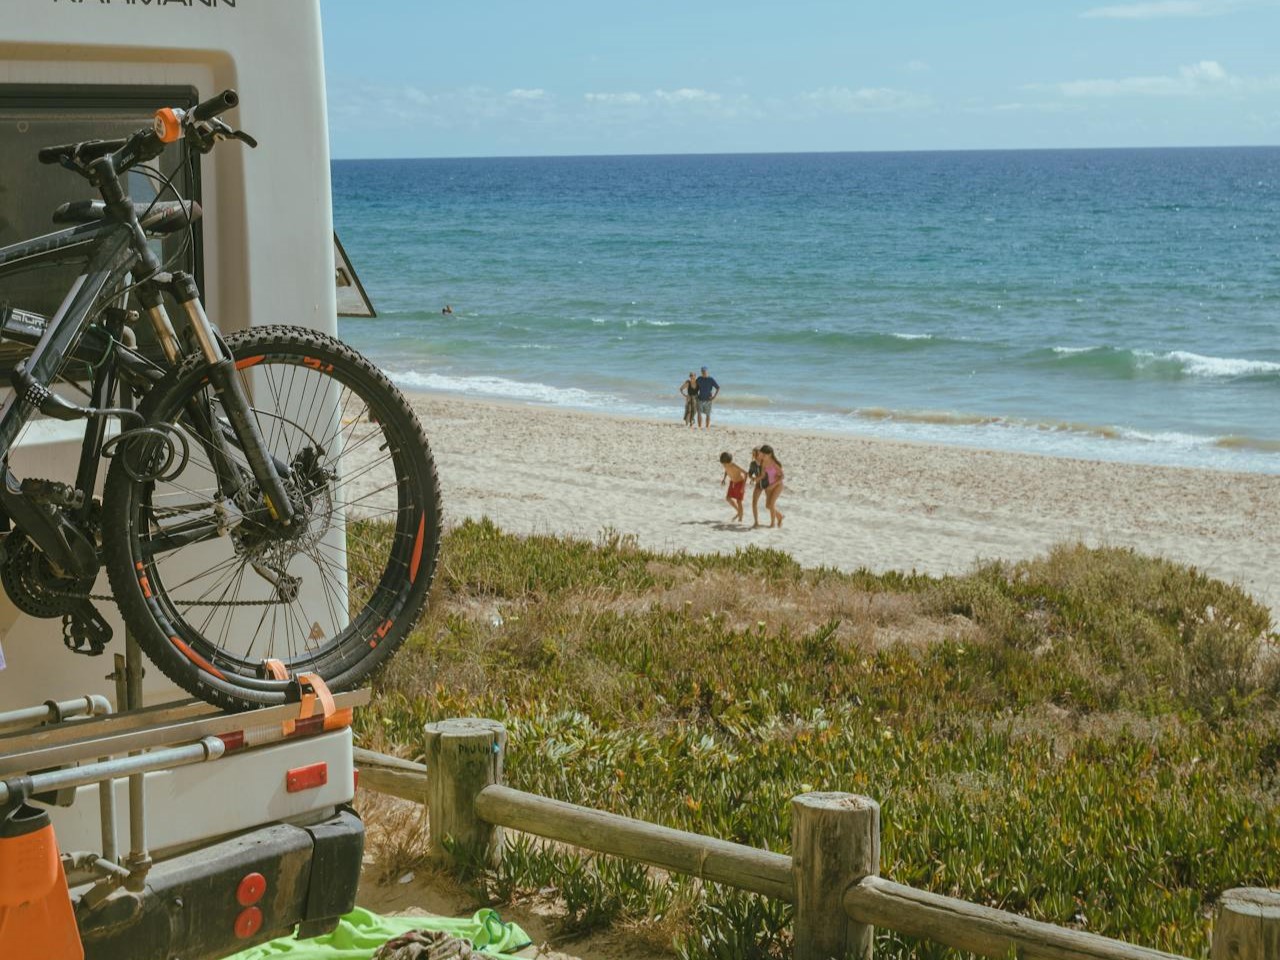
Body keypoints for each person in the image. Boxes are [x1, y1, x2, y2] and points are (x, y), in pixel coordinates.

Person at [759, 444, 785, 528]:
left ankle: (772, 523)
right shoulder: (763, 462)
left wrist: (773, 484)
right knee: (768, 506)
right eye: (761, 454)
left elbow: (782, 476)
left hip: (777, 485)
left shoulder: (774, 463)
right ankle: (780, 516)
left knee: (772, 504)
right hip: (768, 486)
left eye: (764, 454)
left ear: (770, 454)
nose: (762, 456)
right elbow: (763, 474)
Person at [719, 451, 747, 522]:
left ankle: (740, 518)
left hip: (740, 482)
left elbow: (746, 474)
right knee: (728, 498)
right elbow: (726, 470)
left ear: (728, 461)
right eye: (723, 463)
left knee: (739, 501)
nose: (724, 465)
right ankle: (739, 512)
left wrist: (743, 487)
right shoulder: (725, 465)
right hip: (732, 482)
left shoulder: (734, 465)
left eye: (725, 463)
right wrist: (724, 479)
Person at [747, 447, 764, 527]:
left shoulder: (765, 462)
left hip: (767, 484)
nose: (755, 455)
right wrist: (751, 478)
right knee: (754, 502)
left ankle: (778, 517)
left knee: (770, 504)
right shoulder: (753, 464)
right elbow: (750, 473)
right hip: (758, 485)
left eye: (756, 454)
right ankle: (756, 522)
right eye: (753, 454)